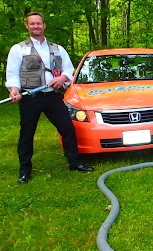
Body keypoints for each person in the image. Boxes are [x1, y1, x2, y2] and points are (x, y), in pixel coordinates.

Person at [6, 12, 94, 183]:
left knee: (67, 128)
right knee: (27, 133)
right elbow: (12, 73)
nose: (36, 26)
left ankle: (75, 162)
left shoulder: (57, 49)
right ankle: (25, 170)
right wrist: (14, 90)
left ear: (44, 25)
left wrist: (62, 78)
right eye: (32, 24)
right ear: (27, 26)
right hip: (30, 97)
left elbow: (69, 69)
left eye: (38, 23)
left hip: (53, 97)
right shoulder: (18, 49)